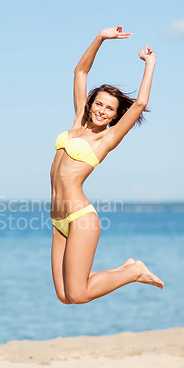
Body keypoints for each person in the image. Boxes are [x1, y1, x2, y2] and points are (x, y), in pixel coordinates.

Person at [50, 26, 163, 305]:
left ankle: (134, 271)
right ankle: (126, 269)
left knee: (79, 293)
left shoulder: (106, 139)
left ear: (114, 116)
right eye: (99, 104)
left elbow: (141, 103)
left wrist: (150, 65)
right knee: (65, 296)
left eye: (109, 109)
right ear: (90, 104)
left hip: (81, 219)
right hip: (58, 219)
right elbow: (80, 73)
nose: (102, 110)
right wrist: (100, 38)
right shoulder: (77, 122)